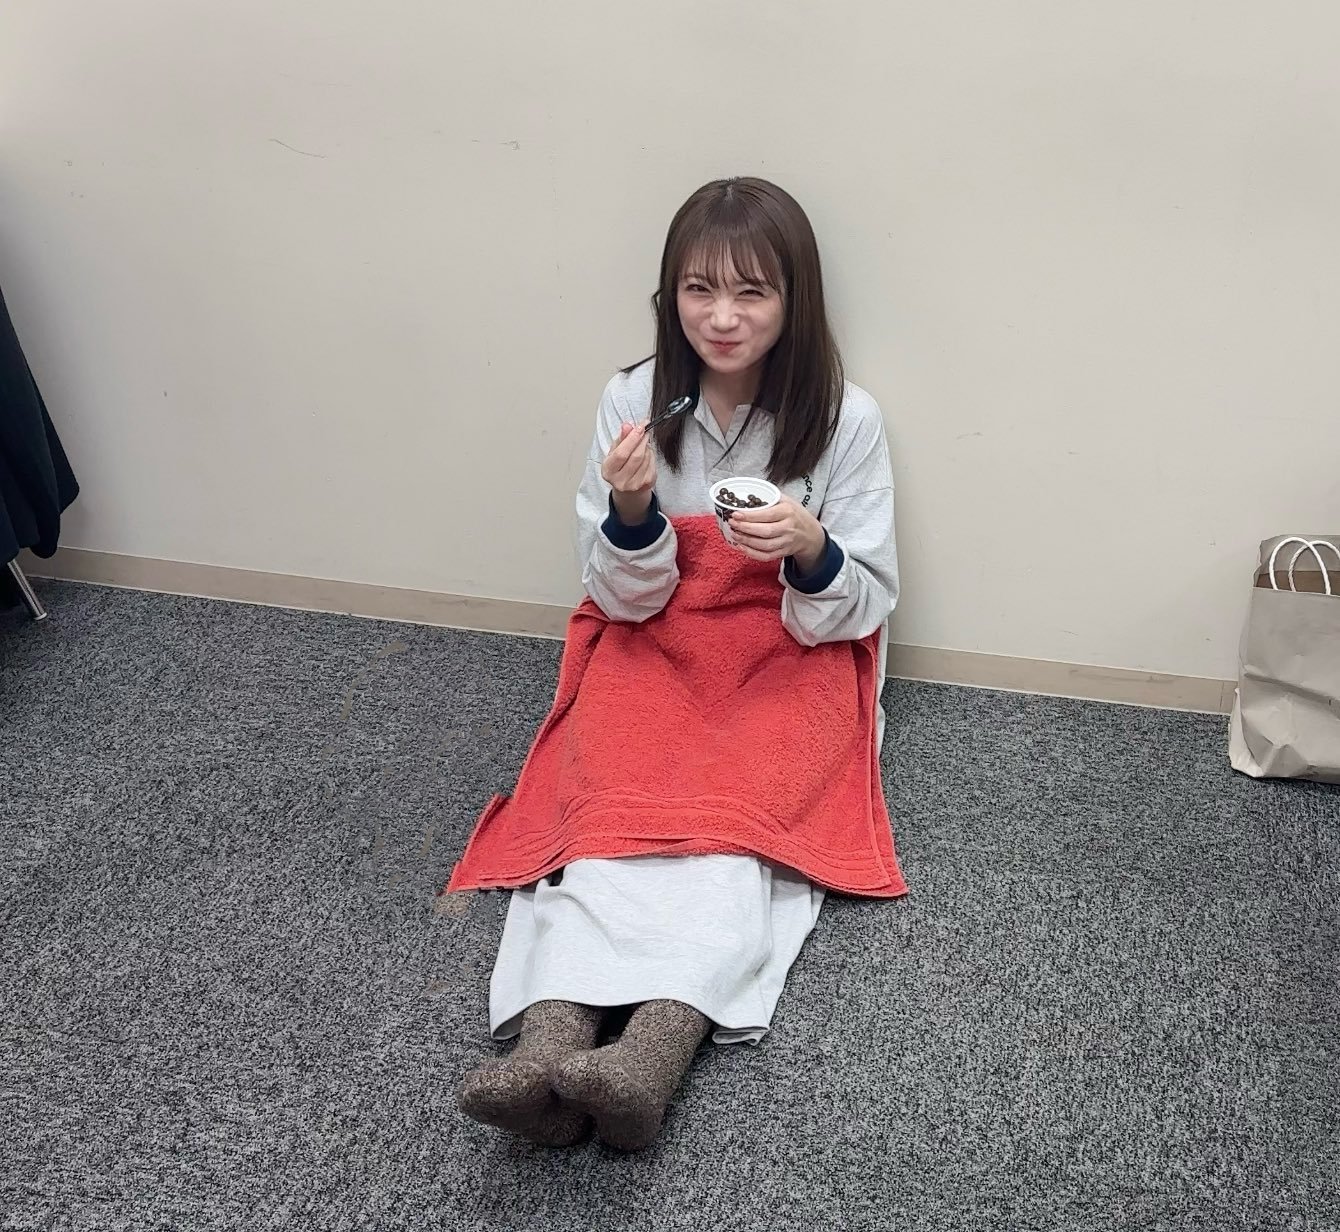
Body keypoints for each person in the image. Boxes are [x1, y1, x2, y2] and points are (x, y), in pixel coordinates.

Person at [457, 176, 900, 1151]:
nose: (722, 318)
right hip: (658, 634)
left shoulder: (847, 419)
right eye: (699, 290)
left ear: (794, 300)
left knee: (733, 824)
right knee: (603, 801)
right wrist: (630, 514)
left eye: (751, 292)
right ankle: (546, 1045)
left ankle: (648, 1058)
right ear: (670, 296)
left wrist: (809, 546)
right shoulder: (631, 397)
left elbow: (865, 602)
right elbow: (618, 597)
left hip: (790, 648)